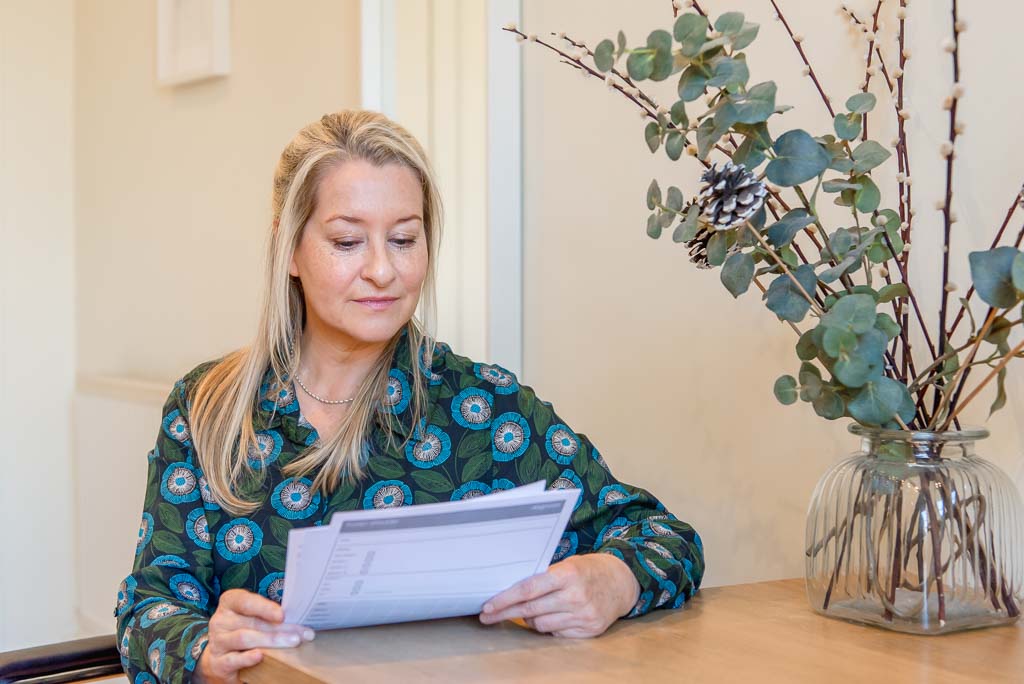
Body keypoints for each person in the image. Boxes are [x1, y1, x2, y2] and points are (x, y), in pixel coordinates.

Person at [115, 110, 705, 684]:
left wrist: (611, 580)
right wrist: (204, 652)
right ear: (289, 250)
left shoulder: (484, 410)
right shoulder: (207, 409)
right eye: (347, 241)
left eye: (403, 239)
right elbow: (150, 606)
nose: (382, 270)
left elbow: (662, 536)